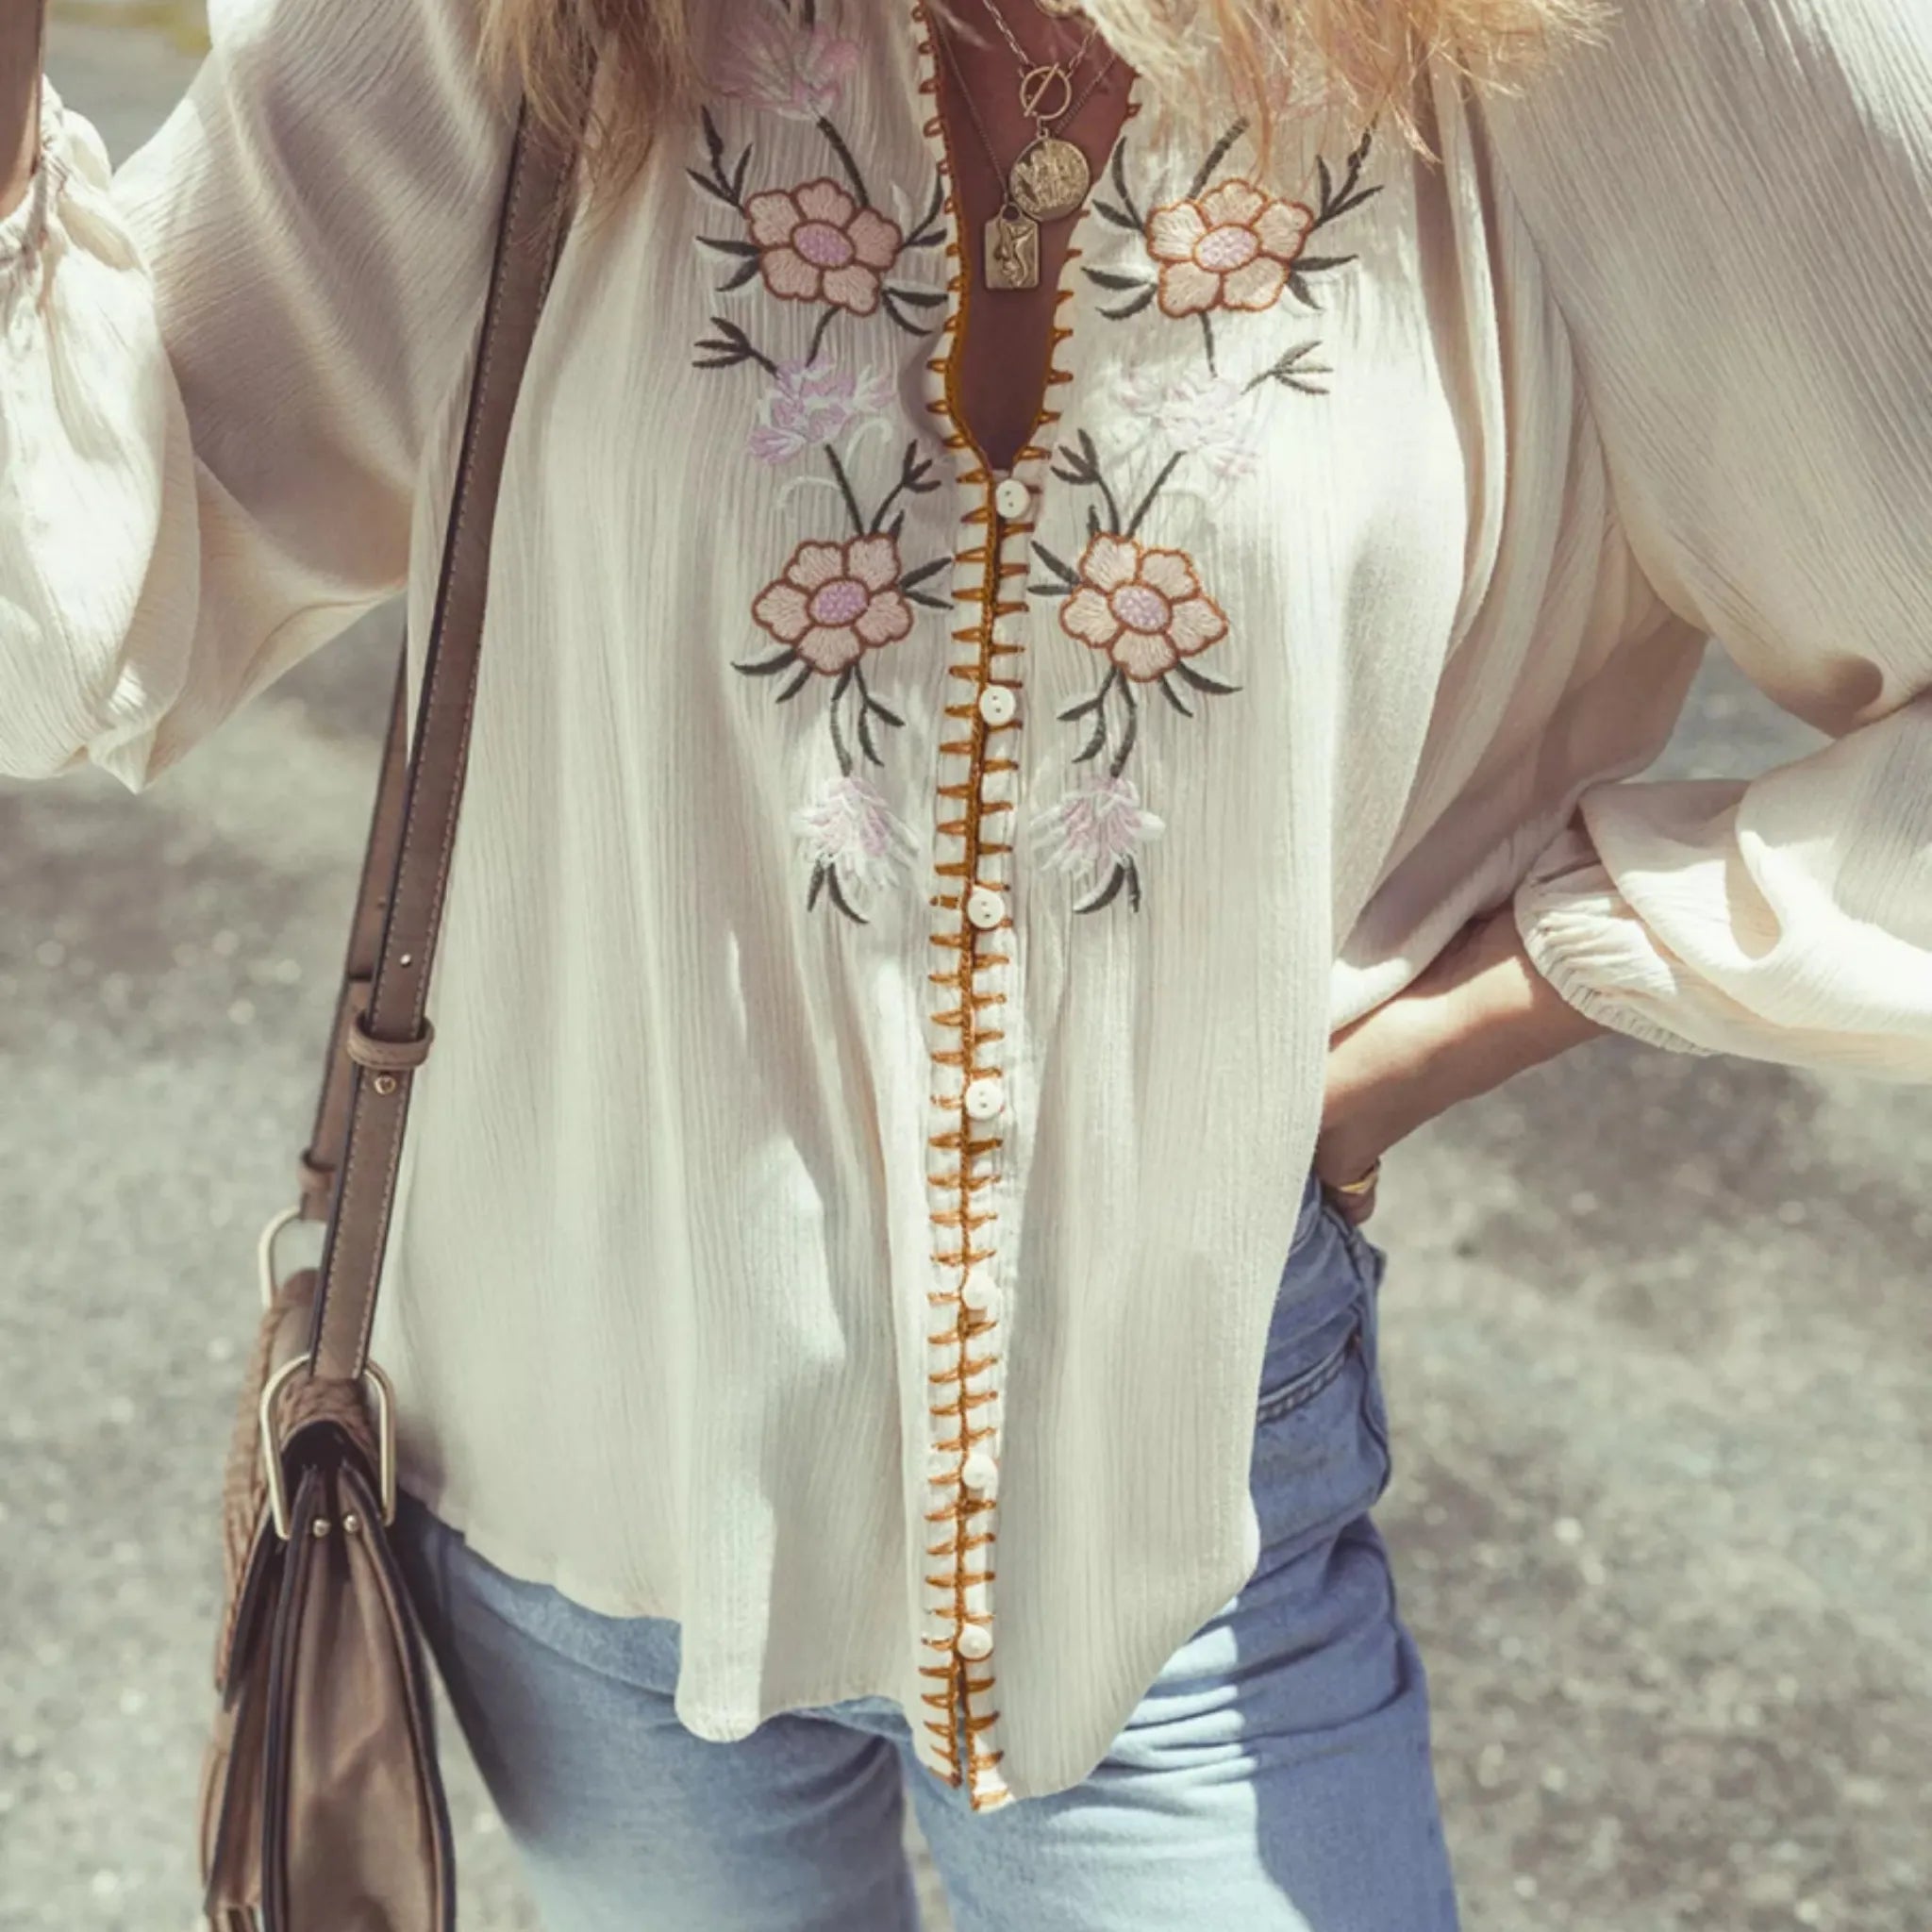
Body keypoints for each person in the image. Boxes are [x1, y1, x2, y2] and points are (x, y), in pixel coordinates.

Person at [5, 0, 1931, 1924]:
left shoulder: (1612, 49)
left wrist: (1483, 1014)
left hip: (1171, 1534)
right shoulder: (514, 29)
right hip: (560, 1481)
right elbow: (69, 629)